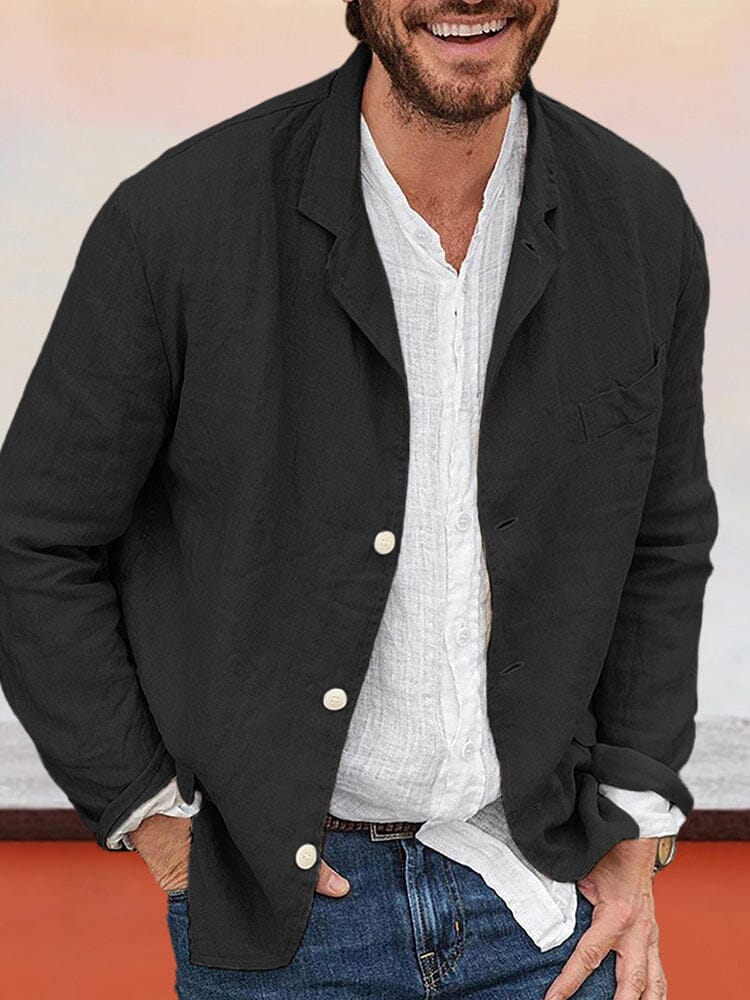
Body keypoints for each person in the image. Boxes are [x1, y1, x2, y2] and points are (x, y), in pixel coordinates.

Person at [0, 1, 718, 997]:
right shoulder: (179, 219)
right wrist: (157, 823)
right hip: (287, 931)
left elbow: (663, 538)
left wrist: (636, 825)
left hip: (546, 906)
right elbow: (32, 540)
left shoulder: (640, 218)